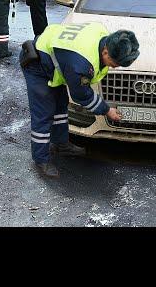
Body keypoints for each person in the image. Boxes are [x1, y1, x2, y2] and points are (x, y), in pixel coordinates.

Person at [20, 23, 140, 178]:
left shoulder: (102, 34)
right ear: (106, 51)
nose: (115, 67)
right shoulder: (80, 63)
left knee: (61, 105)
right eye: (114, 64)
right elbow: (81, 95)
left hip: (55, 61)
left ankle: (61, 144)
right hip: (37, 67)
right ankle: (41, 159)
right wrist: (107, 110)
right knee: (44, 113)